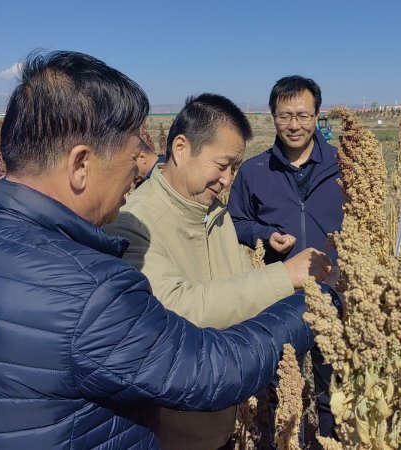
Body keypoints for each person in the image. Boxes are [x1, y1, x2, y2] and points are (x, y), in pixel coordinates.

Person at [0, 51, 316, 450]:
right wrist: (314, 303)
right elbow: (209, 371)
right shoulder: (91, 292)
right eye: (132, 158)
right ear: (81, 164)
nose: (137, 175)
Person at [105, 93, 336, 449]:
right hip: (169, 435)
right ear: (181, 148)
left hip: (218, 423)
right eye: (222, 164)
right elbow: (177, 312)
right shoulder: (134, 224)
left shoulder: (215, 214)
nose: (228, 180)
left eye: (235, 168)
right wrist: (284, 276)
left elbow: (237, 285)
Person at [227, 75, 344, 440]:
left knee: (334, 394)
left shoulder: (344, 166)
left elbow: (368, 223)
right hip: (279, 298)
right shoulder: (255, 172)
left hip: (334, 294)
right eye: (284, 116)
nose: (294, 125)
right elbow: (234, 221)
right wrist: (265, 236)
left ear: (317, 115)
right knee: (282, 396)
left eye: (303, 115)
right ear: (272, 117)